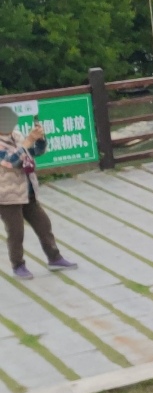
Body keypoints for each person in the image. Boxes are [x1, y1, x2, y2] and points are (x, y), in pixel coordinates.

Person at [0, 107, 78, 280]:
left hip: (27, 191)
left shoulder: (17, 136)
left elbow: (35, 152)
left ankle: (55, 258)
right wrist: (29, 141)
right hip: (6, 196)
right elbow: (11, 162)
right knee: (16, 232)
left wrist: (40, 139)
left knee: (44, 225)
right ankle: (18, 265)